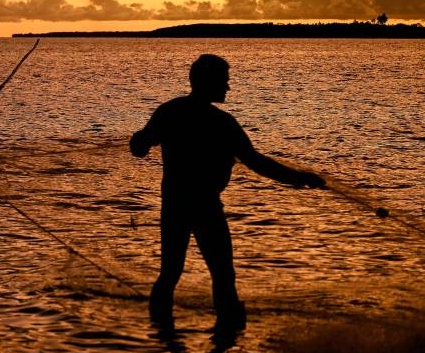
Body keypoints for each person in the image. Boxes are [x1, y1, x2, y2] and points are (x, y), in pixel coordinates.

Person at [129, 54, 325, 333]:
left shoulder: (170, 111)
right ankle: (227, 334)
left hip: (175, 205)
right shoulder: (221, 123)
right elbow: (256, 162)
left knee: (170, 273)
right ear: (207, 82)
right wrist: (298, 178)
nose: (227, 87)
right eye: (224, 81)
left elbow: (139, 149)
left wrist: (140, 140)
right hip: (205, 207)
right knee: (221, 274)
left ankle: (163, 336)